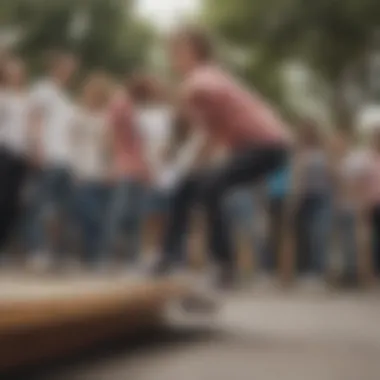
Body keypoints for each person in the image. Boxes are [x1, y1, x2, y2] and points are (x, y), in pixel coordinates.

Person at [151, 27, 292, 289]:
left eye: (175, 52)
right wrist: (187, 170)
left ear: (192, 52)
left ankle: (226, 267)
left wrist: (171, 97)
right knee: (187, 187)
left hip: (267, 145)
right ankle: (166, 257)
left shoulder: (204, 76)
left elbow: (197, 91)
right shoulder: (205, 84)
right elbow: (210, 136)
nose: (172, 59)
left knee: (210, 188)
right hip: (260, 148)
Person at [26, 51, 78, 270]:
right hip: (49, 155)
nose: (69, 72)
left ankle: (56, 253)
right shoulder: (43, 88)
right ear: (56, 66)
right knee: (42, 205)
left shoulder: (65, 96)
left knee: (63, 208)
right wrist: (37, 148)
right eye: (66, 67)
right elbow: (35, 118)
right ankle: (37, 252)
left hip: (66, 159)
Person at [104, 77, 149, 267]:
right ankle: (109, 255)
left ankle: (132, 256)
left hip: (137, 166)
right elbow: (110, 133)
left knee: (135, 214)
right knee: (119, 212)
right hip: (123, 165)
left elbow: (138, 141)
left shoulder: (132, 107)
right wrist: (111, 162)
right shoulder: (120, 103)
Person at [70, 72, 112, 268]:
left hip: (102, 172)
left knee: (100, 216)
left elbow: (111, 146)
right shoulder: (78, 115)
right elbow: (72, 143)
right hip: (82, 171)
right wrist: (74, 169)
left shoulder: (108, 117)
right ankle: (89, 254)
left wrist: (111, 169)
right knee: (88, 214)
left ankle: (95, 256)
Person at [131, 75, 174, 258]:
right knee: (148, 213)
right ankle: (146, 251)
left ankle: (162, 251)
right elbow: (136, 141)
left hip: (169, 170)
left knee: (165, 213)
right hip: (148, 167)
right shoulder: (140, 114)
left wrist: (168, 149)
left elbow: (174, 139)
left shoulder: (170, 113)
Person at [0, 56, 32, 257]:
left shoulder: (26, 99)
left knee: (14, 202)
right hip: (4, 150)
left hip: (21, 154)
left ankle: (4, 245)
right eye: (12, 72)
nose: (16, 76)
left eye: (19, 72)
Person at [293, 120, 333, 276]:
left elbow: (332, 174)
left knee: (320, 233)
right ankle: (306, 269)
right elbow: (296, 176)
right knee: (305, 234)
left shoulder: (323, 151)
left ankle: (320, 270)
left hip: (322, 196)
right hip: (304, 196)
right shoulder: (298, 151)